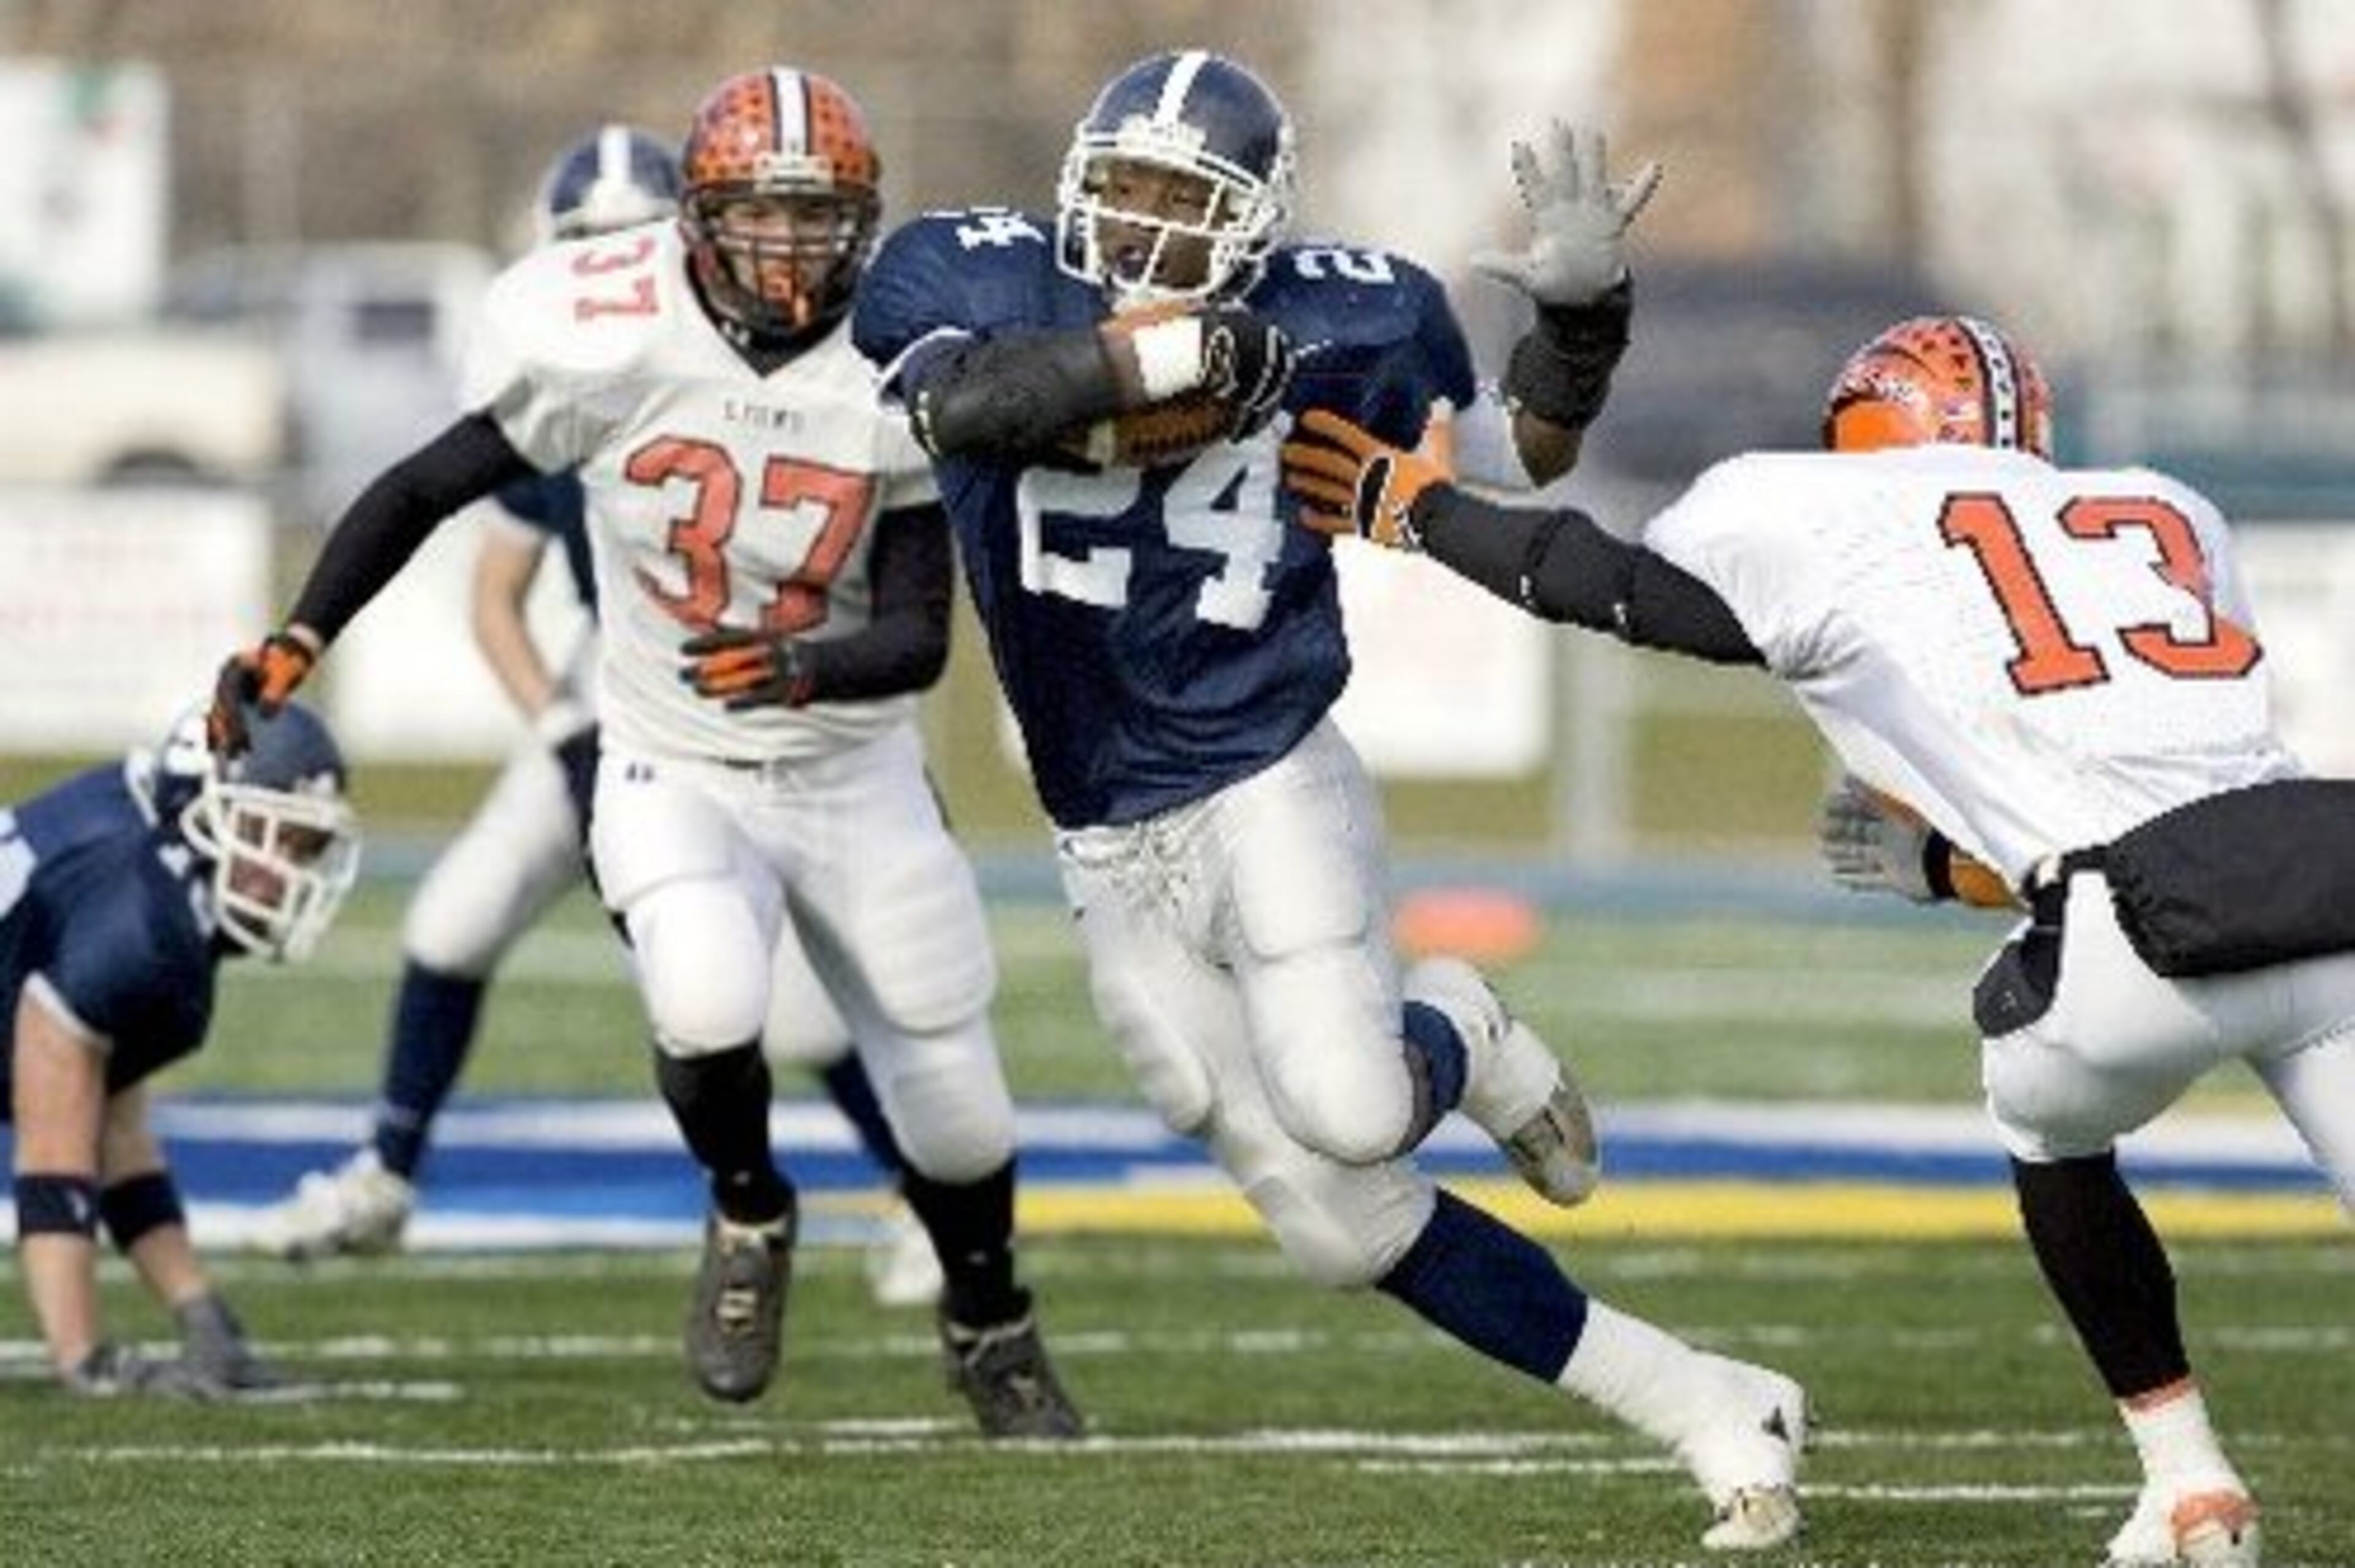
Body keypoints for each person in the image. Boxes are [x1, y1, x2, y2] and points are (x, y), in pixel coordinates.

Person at [852, 49, 1808, 1550]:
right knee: (1332, 1222)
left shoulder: (1349, 310)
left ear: (1258, 222)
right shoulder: (968, 271)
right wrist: (1171, 366)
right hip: (1099, 825)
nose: (1149, 236)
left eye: (1188, 204)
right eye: (1127, 194)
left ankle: (1463, 1032)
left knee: (1354, 1106)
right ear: (1073, 188)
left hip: (1264, 771)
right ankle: (1705, 1394)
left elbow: (1513, 451)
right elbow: (962, 409)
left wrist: (1575, 330)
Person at [1284, 313, 2355, 1566]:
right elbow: (2164, 797)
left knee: (2050, 1125)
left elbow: (1627, 593)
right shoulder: (2167, 509)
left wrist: (1423, 512)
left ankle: (2188, 1479)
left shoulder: (1801, 506)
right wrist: (1963, 865)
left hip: (2123, 949)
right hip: (2326, 884)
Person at [207, 67, 1074, 1437]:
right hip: (674, 754)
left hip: (853, 763)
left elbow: (916, 635)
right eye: (762, 219)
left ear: (868, 224)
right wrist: (298, 636)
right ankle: (750, 1213)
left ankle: (989, 1317)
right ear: (695, 220)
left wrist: (801, 664)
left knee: (959, 1109)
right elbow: (424, 484)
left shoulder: (904, 360)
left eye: (821, 221)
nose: (792, 252)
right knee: (706, 997)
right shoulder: (610, 338)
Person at [247, 121, 944, 1311]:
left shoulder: (781, 370)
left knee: (779, 1006)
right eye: (591, 246)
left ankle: (921, 1202)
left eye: (630, 241)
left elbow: (910, 607)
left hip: (755, 714)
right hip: (609, 695)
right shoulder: (565, 387)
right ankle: (388, 1168)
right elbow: (490, 593)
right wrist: (563, 735)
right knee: (453, 923)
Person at [4, 700, 359, 1397]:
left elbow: (112, 1122)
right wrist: (82, 1355)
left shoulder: (156, 869)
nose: (286, 872)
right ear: (211, 801)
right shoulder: (141, 907)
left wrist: (200, 1314)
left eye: (304, 850)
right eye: (276, 836)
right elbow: (53, 1134)